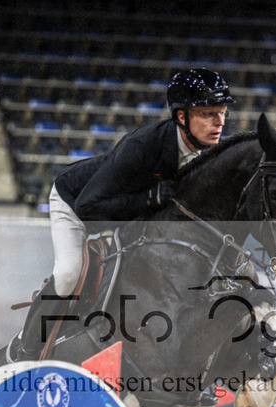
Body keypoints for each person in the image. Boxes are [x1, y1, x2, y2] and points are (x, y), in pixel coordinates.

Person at [16, 68, 236, 360]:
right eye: (209, 114)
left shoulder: (209, 153)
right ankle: (26, 351)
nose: (220, 123)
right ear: (182, 116)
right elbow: (88, 207)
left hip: (128, 216)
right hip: (75, 202)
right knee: (68, 274)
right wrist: (149, 198)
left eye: (222, 113)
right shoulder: (143, 146)